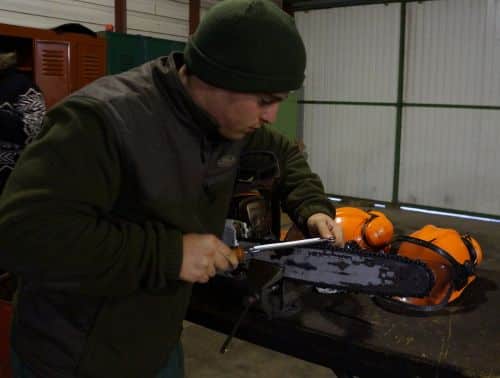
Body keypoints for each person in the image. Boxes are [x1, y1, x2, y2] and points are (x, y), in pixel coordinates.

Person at [0, 1, 341, 377]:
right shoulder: (99, 122)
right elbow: (23, 236)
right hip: (72, 358)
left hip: (157, 346)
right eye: (265, 101)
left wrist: (313, 208)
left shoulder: (230, 124)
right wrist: (169, 253)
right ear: (215, 77)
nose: (271, 116)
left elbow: (286, 156)